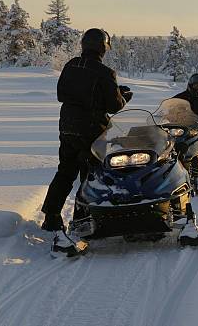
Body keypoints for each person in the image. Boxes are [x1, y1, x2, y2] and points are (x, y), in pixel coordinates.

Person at [41, 28, 132, 252]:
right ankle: (82, 218)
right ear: (103, 47)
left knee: (65, 171)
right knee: (91, 173)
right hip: (92, 129)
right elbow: (114, 105)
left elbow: (61, 93)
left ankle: (51, 217)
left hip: (67, 125)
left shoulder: (71, 65)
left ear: (84, 45)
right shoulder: (106, 72)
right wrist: (123, 97)